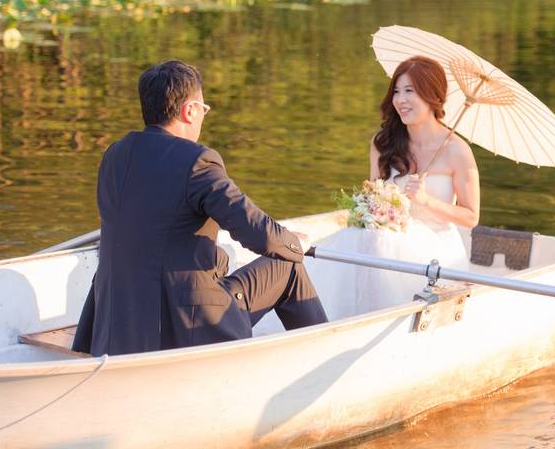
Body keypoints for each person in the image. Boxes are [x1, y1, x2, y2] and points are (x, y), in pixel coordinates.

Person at [72, 60, 327, 355]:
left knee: (220, 263)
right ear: (189, 110)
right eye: (204, 109)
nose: (203, 117)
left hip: (118, 324)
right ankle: (324, 363)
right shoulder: (197, 161)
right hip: (183, 326)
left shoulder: (114, 155)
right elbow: (259, 234)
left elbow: (158, 232)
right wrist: (296, 243)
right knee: (288, 265)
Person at [308, 56, 480, 319]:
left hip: (436, 251)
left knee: (376, 241)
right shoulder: (383, 143)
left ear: (432, 96)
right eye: (397, 92)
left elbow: (470, 217)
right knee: (363, 237)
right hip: (383, 241)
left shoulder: (457, 151)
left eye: (410, 91)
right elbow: (373, 197)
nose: (400, 100)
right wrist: (371, 212)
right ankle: (336, 318)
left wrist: (425, 200)